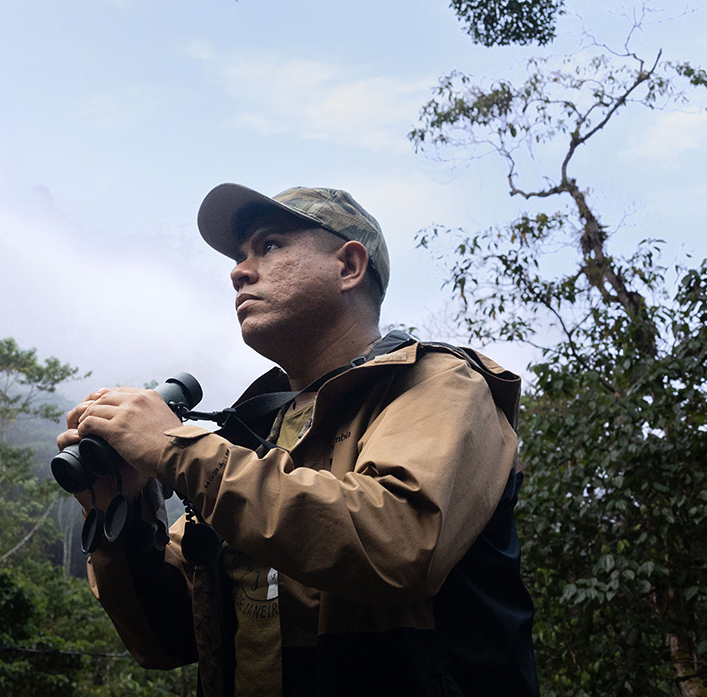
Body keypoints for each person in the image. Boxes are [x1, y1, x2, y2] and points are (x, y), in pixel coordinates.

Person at [57, 184, 539, 697]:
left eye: (269, 246)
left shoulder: (438, 385)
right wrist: (120, 506)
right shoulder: (258, 438)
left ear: (349, 266)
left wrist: (174, 448)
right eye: (241, 256)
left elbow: (397, 540)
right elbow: (165, 638)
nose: (239, 271)